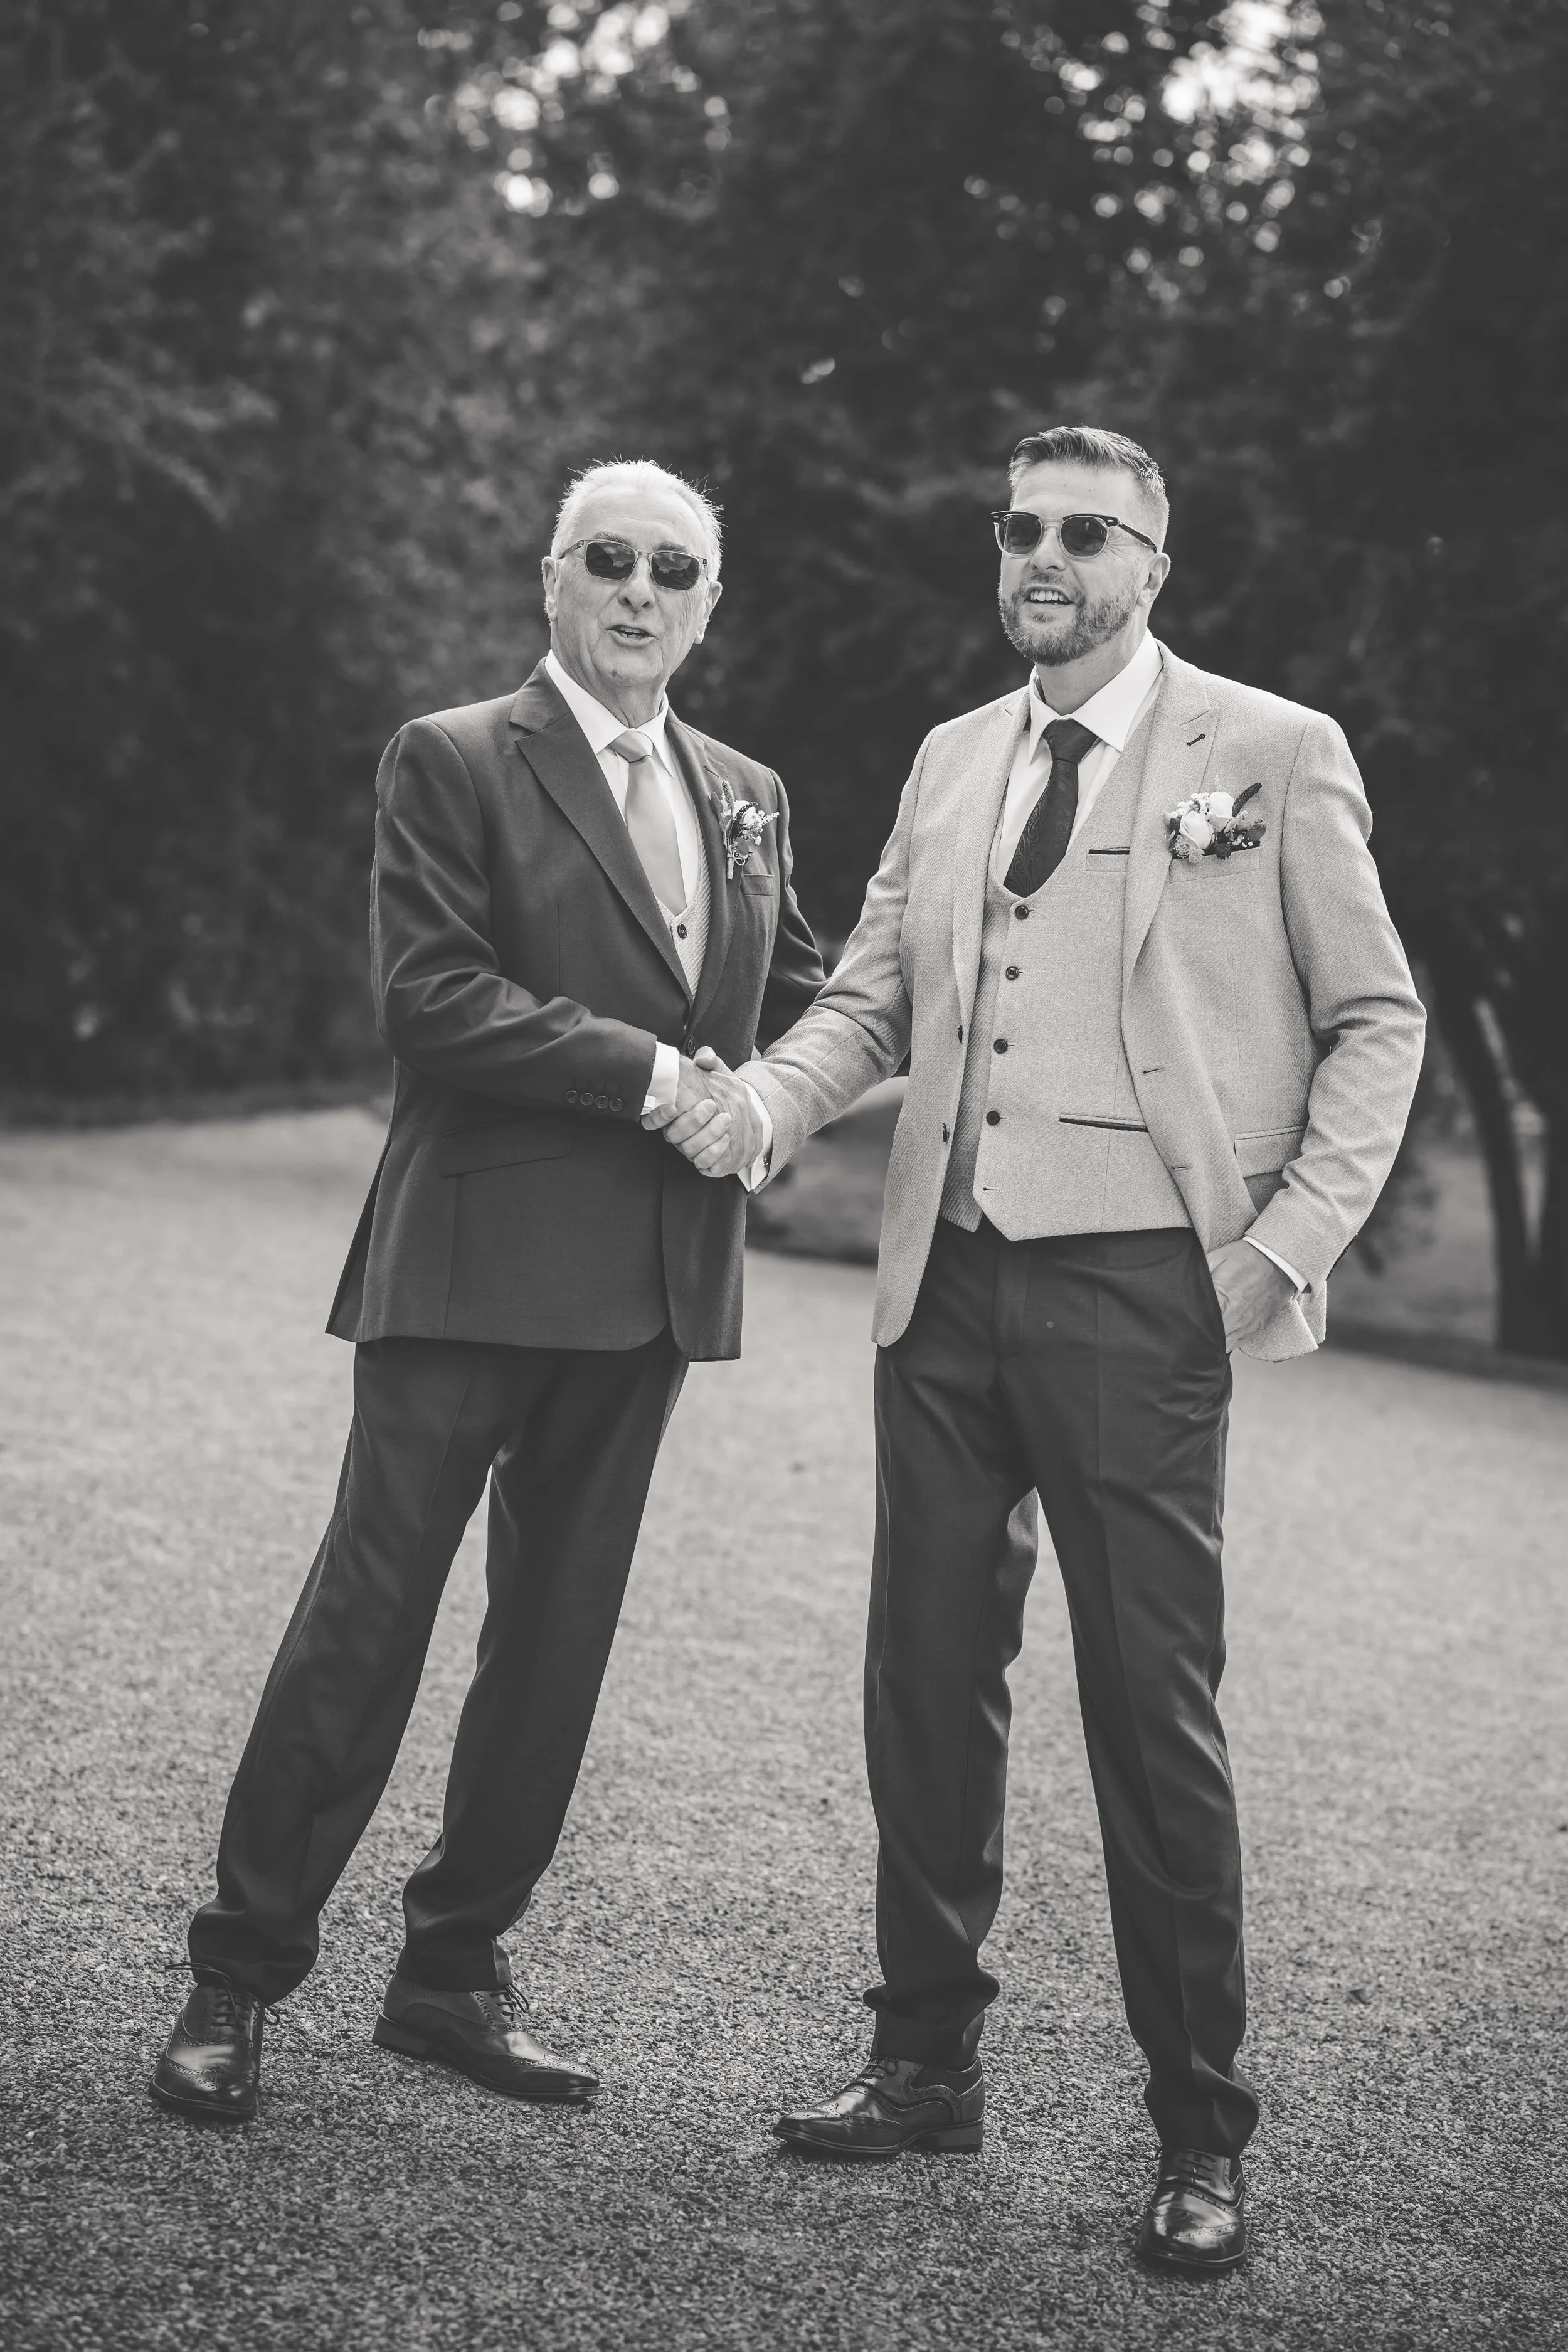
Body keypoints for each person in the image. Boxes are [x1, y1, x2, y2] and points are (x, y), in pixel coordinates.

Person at [652, 425, 1424, 2272]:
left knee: (1150, 1715)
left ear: (1154, 562)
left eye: (1088, 530)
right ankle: (922, 2065)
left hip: (1143, 1292)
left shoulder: (1269, 750)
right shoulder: (952, 756)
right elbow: (874, 1000)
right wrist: (764, 1107)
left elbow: (1377, 1018)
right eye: (1019, 525)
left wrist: (1278, 1248)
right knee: (925, 1678)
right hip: (944, 1287)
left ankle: (1199, 2132)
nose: (1044, 554)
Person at [152, 459, 815, 2122]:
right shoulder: (451, 756)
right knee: (363, 1624)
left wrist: (775, 1102)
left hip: (653, 1283)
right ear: (555, 578)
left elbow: (805, 995)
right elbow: (431, 997)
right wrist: (660, 1076)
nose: (641, 589)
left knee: (556, 1646)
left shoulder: (748, 790)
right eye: (611, 558)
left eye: (674, 567)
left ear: (706, 604)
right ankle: (235, 1979)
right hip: (467, 1267)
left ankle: (452, 1972)